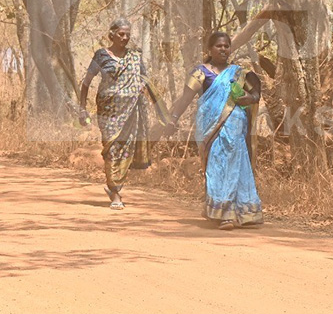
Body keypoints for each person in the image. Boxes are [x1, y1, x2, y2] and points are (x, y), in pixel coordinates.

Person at [165, 30, 262, 229]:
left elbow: (256, 90)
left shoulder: (238, 72)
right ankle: (220, 210)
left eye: (227, 46)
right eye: (219, 46)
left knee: (234, 166)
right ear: (209, 49)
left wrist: (250, 98)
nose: (223, 49)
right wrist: (173, 118)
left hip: (235, 128)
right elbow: (186, 97)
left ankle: (237, 212)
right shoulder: (200, 72)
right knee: (217, 166)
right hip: (210, 128)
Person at [79, 18, 162, 210]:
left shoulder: (135, 57)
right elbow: (86, 82)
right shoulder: (101, 56)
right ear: (111, 35)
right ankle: (114, 190)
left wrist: (155, 106)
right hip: (108, 111)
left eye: (127, 35)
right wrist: (82, 109)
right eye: (121, 34)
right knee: (111, 149)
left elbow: (145, 81)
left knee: (125, 149)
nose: (124, 38)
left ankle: (115, 188)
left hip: (131, 112)